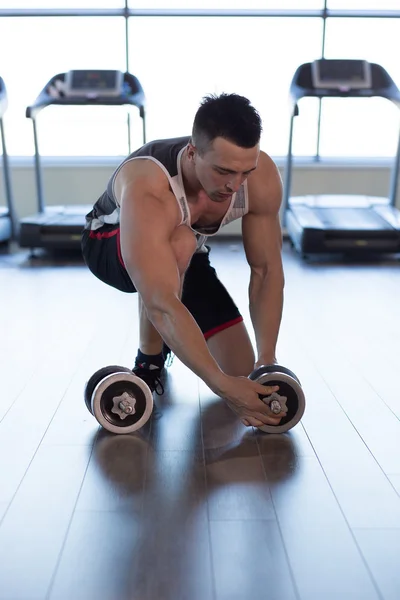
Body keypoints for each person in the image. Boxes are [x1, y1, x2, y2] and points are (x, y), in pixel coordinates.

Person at [81, 92, 286, 428]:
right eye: (223, 171)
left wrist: (267, 363)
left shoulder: (260, 178)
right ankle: (149, 364)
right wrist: (220, 386)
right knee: (178, 244)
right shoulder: (150, 186)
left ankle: (225, 356)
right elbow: (160, 301)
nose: (234, 185)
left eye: (244, 172)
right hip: (109, 243)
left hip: (185, 251)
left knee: (239, 369)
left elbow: (266, 271)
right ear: (193, 153)